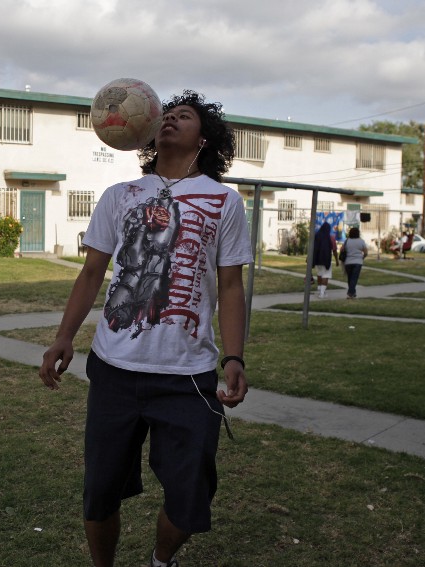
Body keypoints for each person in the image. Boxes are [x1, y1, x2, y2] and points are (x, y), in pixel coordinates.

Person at [39, 90, 253, 567]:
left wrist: (234, 356)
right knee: (100, 492)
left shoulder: (224, 202)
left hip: (187, 375)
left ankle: (161, 560)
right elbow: (91, 273)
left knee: (191, 494)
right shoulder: (120, 195)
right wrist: (63, 336)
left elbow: (231, 286)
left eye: (184, 116)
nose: (171, 119)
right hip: (114, 369)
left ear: (205, 138)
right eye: (166, 114)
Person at [312, 221, 338, 298]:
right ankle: (322, 293)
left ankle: (320, 290)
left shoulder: (316, 236)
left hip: (317, 259)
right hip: (326, 259)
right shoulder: (331, 238)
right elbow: (334, 250)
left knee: (319, 274)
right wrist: (336, 260)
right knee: (325, 275)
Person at [340, 226, 368, 299]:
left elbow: (342, 249)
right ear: (358, 233)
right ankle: (350, 293)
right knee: (354, 278)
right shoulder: (361, 241)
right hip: (358, 262)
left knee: (350, 278)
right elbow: (365, 252)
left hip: (348, 262)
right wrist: (362, 257)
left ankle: (353, 292)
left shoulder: (347, 241)